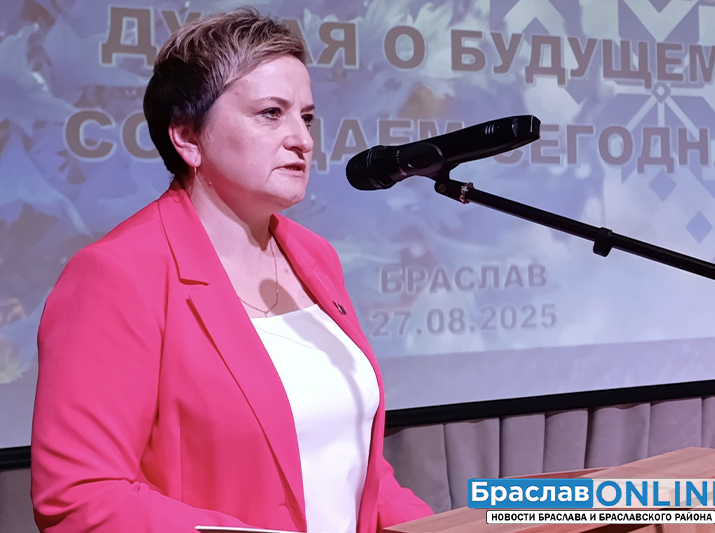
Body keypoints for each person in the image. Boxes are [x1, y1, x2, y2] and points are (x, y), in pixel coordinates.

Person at [30, 8, 433, 533]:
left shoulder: (316, 256)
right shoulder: (117, 275)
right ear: (188, 138)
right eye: (271, 113)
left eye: (306, 117)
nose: (302, 139)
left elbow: (354, 466)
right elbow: (80, 497)